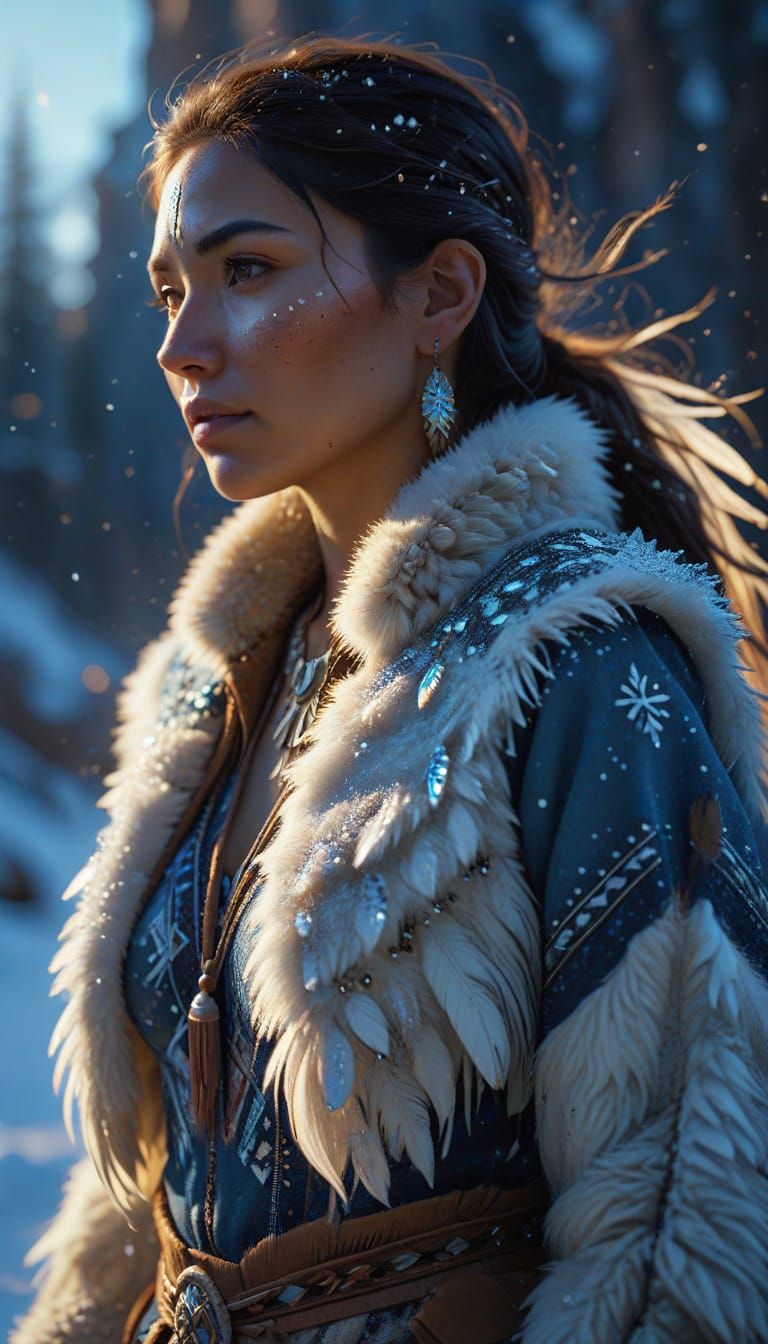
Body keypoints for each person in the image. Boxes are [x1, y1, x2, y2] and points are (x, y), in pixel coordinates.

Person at [12, 34, 768, 1344]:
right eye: (168, 290)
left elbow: (682, 1221)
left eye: (245, 270)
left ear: (440, 294)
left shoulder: (584, 670)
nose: (182, 345)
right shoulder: (209, 689)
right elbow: (150, 1182)